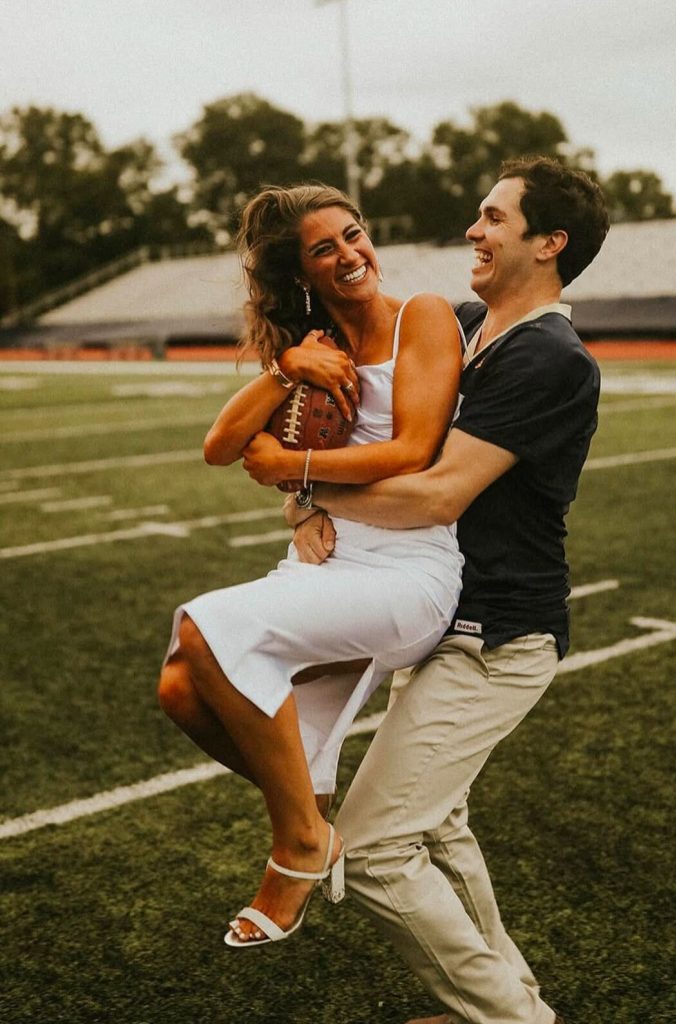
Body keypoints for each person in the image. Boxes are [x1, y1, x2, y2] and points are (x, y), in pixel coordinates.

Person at [287, 156, 609, 1024]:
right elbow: (350, 332)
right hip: (443, 621)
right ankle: (512, 1000)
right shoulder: (467, 324)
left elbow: (436, 494)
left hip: (496, 637)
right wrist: (298, 353)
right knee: (439, 827)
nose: (473, 229)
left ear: (549, 243)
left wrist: (305, 481)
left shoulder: (551, 358)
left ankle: (512, 1017)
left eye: (494, 219)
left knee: (378, 849)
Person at [157, 183, 464, 947]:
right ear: (301, 271)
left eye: (353, 235)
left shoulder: (420, 315)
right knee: (179, 689)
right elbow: (219, 448)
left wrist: (296, 476)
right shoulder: (314, 339)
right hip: (328, 563)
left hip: (409, 568)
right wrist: (285, 368)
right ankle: (312, 810)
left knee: (204, 627)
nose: (349, 255)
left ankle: (299, 843)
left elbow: (413, 452)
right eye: (324, 249)